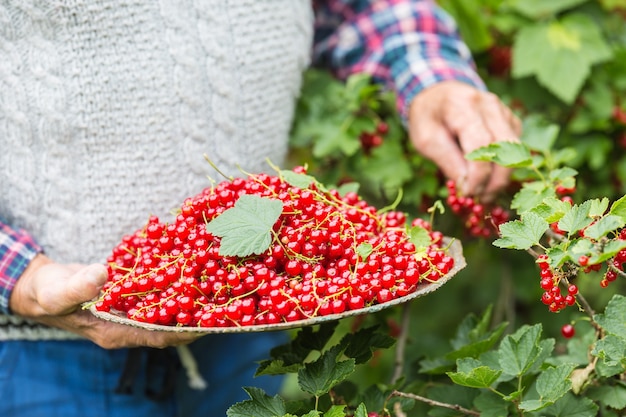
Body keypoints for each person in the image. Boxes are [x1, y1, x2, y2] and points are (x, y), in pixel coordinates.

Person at [0, 1, 521, 416]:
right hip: (43, 354)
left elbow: (358, 5)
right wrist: (21, 277)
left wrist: (431, 75)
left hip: (250, 319)